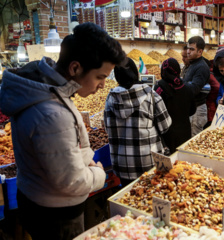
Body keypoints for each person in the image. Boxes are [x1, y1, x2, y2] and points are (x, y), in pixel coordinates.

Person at [0, 22, 126, 240]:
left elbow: (73, 144)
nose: (102, 86)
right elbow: (72, 181)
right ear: (75, 68)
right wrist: (98, 173)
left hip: (34, 197)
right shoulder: (52, 113)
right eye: (100, 77)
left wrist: (85, 159)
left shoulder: (48, 90)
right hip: (56, 214)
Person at [104, 57, 172, 187]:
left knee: (128, 199)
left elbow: (108, 128)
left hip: (122, 165)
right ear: (136, 73)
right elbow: (165, 126)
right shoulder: (151, 95)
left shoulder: (110, 98)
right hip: (148, 163)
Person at [154, 58, 196, 154]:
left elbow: (155, 113)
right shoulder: (187, 88)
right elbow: (192, 110)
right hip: (184, 132)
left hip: (167, 135)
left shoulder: (159, 88)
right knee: (183, 162)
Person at [184, 36, 210, 136]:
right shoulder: (193, 64)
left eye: (192, 49)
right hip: (193, 108)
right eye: (188, 48)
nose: (188, 52)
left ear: (200, 52)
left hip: (197, 110)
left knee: (194, 140)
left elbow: (194, 89)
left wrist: (180, 84)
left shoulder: (201, 67)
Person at [203, 58, 220, 129]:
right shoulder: (212, 73)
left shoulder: (209, 75)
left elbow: (216, 87)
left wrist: (209, 99)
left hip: (210, 107)